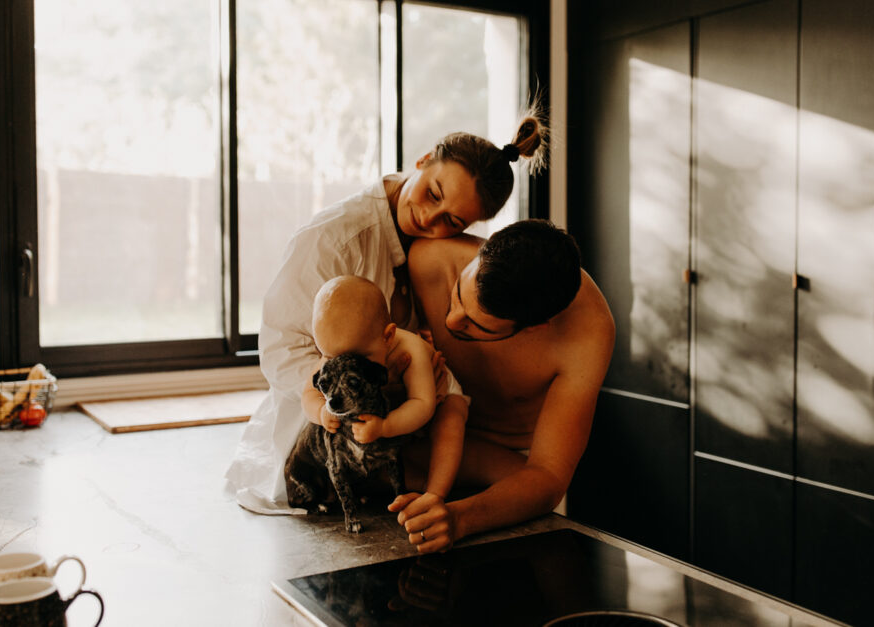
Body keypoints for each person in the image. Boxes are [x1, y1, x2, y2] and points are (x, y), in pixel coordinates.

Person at [225, 114, 547, 514]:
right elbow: (280, 350)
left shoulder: (433, 253)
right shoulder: (336, 238)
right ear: (424, 160)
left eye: (453, 221)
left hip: (407, 412)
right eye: (433, 194)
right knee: (507, 479)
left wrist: (427, 354)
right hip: (330, 423)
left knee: (520, 475)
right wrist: (357, 383)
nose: (430, 219)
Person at [388, 219, 616, 553]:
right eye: (457, 297)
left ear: (535, 327)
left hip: (512, 470)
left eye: (475, 326)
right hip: (426, 439)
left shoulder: (589, 333)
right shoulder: (431, 257)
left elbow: (548, 477)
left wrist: (458, 518)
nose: (451, 321)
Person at [309, 275, 469, 501]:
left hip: (438, 396)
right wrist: (320, 411)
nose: (347, 367)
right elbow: (308, 393)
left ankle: (435, 493)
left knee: (451, 420)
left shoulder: (411, 350)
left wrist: (385, 427)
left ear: (388, 336)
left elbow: (423, 404)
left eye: (360, 358)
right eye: (332, 358)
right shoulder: (336, 352)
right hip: (392, 404)